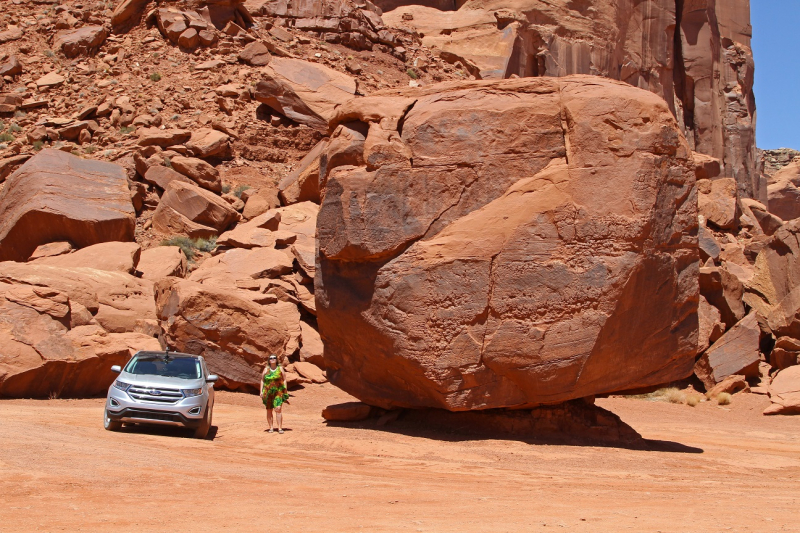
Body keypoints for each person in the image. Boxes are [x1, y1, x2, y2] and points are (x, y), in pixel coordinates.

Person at [261, 354, 289, 434]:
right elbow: (262, 380)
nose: (272, 359)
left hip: (278, 392)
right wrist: (261, 391)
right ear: (269, 360)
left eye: (274, 358)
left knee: (278, 409)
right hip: (268, 392)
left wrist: (285, 390)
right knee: (269, 410)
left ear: (276, 360)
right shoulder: (266, 369)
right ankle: (271, 428)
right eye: (271, 358)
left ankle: (280, 428)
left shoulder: (280, 368)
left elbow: (284, 379)